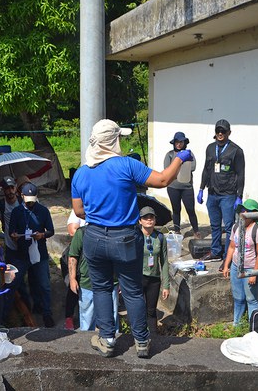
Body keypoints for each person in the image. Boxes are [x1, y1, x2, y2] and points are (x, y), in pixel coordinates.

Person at [71, 119, 193, 358]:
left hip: (94, 237)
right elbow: (163, 180)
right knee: (133, 291)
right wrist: (181, 157)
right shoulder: (125, 165)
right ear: (114, 141)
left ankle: (106, 339)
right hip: (125, 237)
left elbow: (78, 211)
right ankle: (142, 341)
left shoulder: (81, 173)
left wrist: (100, 212)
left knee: (102, 289)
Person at [197, 119, 245, 264]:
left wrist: (239, 195)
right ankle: (216, 251)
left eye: (223, 131)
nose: (220, 133)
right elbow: (206, 169)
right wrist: (201, 188)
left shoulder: (236, 151)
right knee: (214, 225)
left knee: (230, 226)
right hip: (212, 193)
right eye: (218, 130)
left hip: (228, 195)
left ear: (228, 133)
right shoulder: (210, 148)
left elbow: (241, 173)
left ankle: (227, 257)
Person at [8, 183, 56, 326]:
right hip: (22, 253)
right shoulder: (17, 212)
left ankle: (47, 312)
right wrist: (14, 235)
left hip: (39, 252)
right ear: (21, 196)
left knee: (44, 284)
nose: (29, 203)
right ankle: (26, 309)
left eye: (32, 200)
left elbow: (51, 230)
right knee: (20, 282)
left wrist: (42, 235)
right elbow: (11, 231)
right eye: (27, 199)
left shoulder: (43, 211)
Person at [221, 199, 258, 326]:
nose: (244, 213)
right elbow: (232, 247)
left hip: (250, 268)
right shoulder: (236, 227)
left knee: (251, 299)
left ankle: (254, 327)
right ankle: (237, 324)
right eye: (243, 210)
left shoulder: (257, 230)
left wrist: (254, 273)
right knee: (238, 298)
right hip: (236, 266)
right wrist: (227, 265)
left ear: (253, 214)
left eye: (247, 211)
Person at [68, 226, 120, 331]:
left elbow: (120, 257)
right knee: (87, 318)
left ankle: (113, 342)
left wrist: (121, 281)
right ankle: (86, 344)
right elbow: (73, 256)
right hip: (87, 283)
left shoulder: (114, 231)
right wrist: (72, 279)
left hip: (111, 282)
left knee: (112, 317)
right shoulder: (82, 232)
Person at [164, 132, 200, 238]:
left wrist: (177, 166)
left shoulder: (189, 154)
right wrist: (181, 164)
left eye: (181, 142)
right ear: (174, 143)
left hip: (187, 187)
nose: (179, 144)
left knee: (190, 209)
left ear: (184, 143)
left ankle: (196, 230)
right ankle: (177, 230)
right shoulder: (170, 154)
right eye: (177, 142)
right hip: (173, 187)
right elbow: (167, 168)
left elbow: (192, 167)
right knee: (176, 209)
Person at [139, 206, 170, 329]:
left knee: (151, 310)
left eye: (151, 217)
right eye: (145, 218)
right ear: (140, 221)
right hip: (138, 277)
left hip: (154, 279)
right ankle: (138, 335)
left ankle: (153, 335)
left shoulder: (160, 237)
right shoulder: (136, 236)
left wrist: (166, 285)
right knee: (138, 309)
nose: (149, 220)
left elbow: (164, 261)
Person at [63, 210, 87, 330]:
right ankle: (69, 317)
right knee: (73, 286)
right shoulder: (78, 210)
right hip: (77, 252)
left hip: (93, 253)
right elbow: (72, 230)